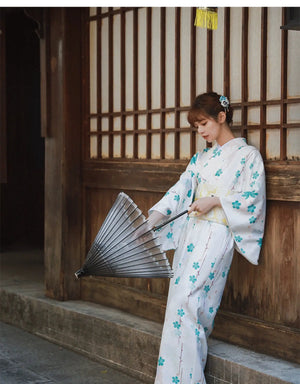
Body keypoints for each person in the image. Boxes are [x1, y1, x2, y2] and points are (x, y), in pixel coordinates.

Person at [147, 92, 266, 384]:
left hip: (218, 235)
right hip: (193, 233)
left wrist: (214, 201)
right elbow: (181, 187)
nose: (200, 131)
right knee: (180, 304)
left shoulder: (247, 156)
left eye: (203, 123)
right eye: (196, 126)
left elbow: (253, 198)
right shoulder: (201, 158)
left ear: (221, 117)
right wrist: (155, 217)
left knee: (190, 303)